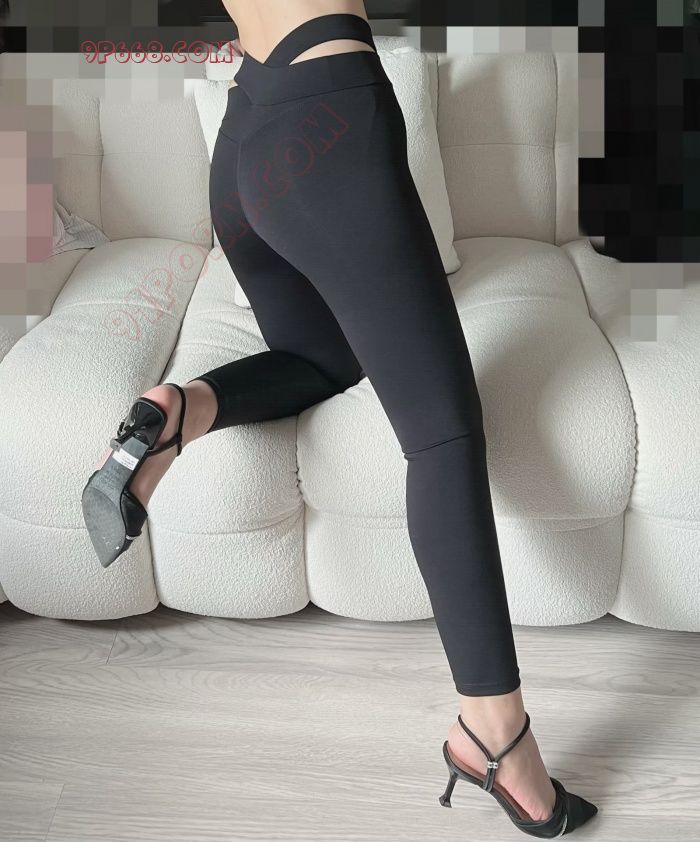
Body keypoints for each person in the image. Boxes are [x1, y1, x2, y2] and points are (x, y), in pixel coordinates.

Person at [81, 2, 597, 835]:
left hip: (246, 134)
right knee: (443, 436)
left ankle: (180, 412)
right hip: (329, 117)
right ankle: (493, 732)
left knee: (323, 356)